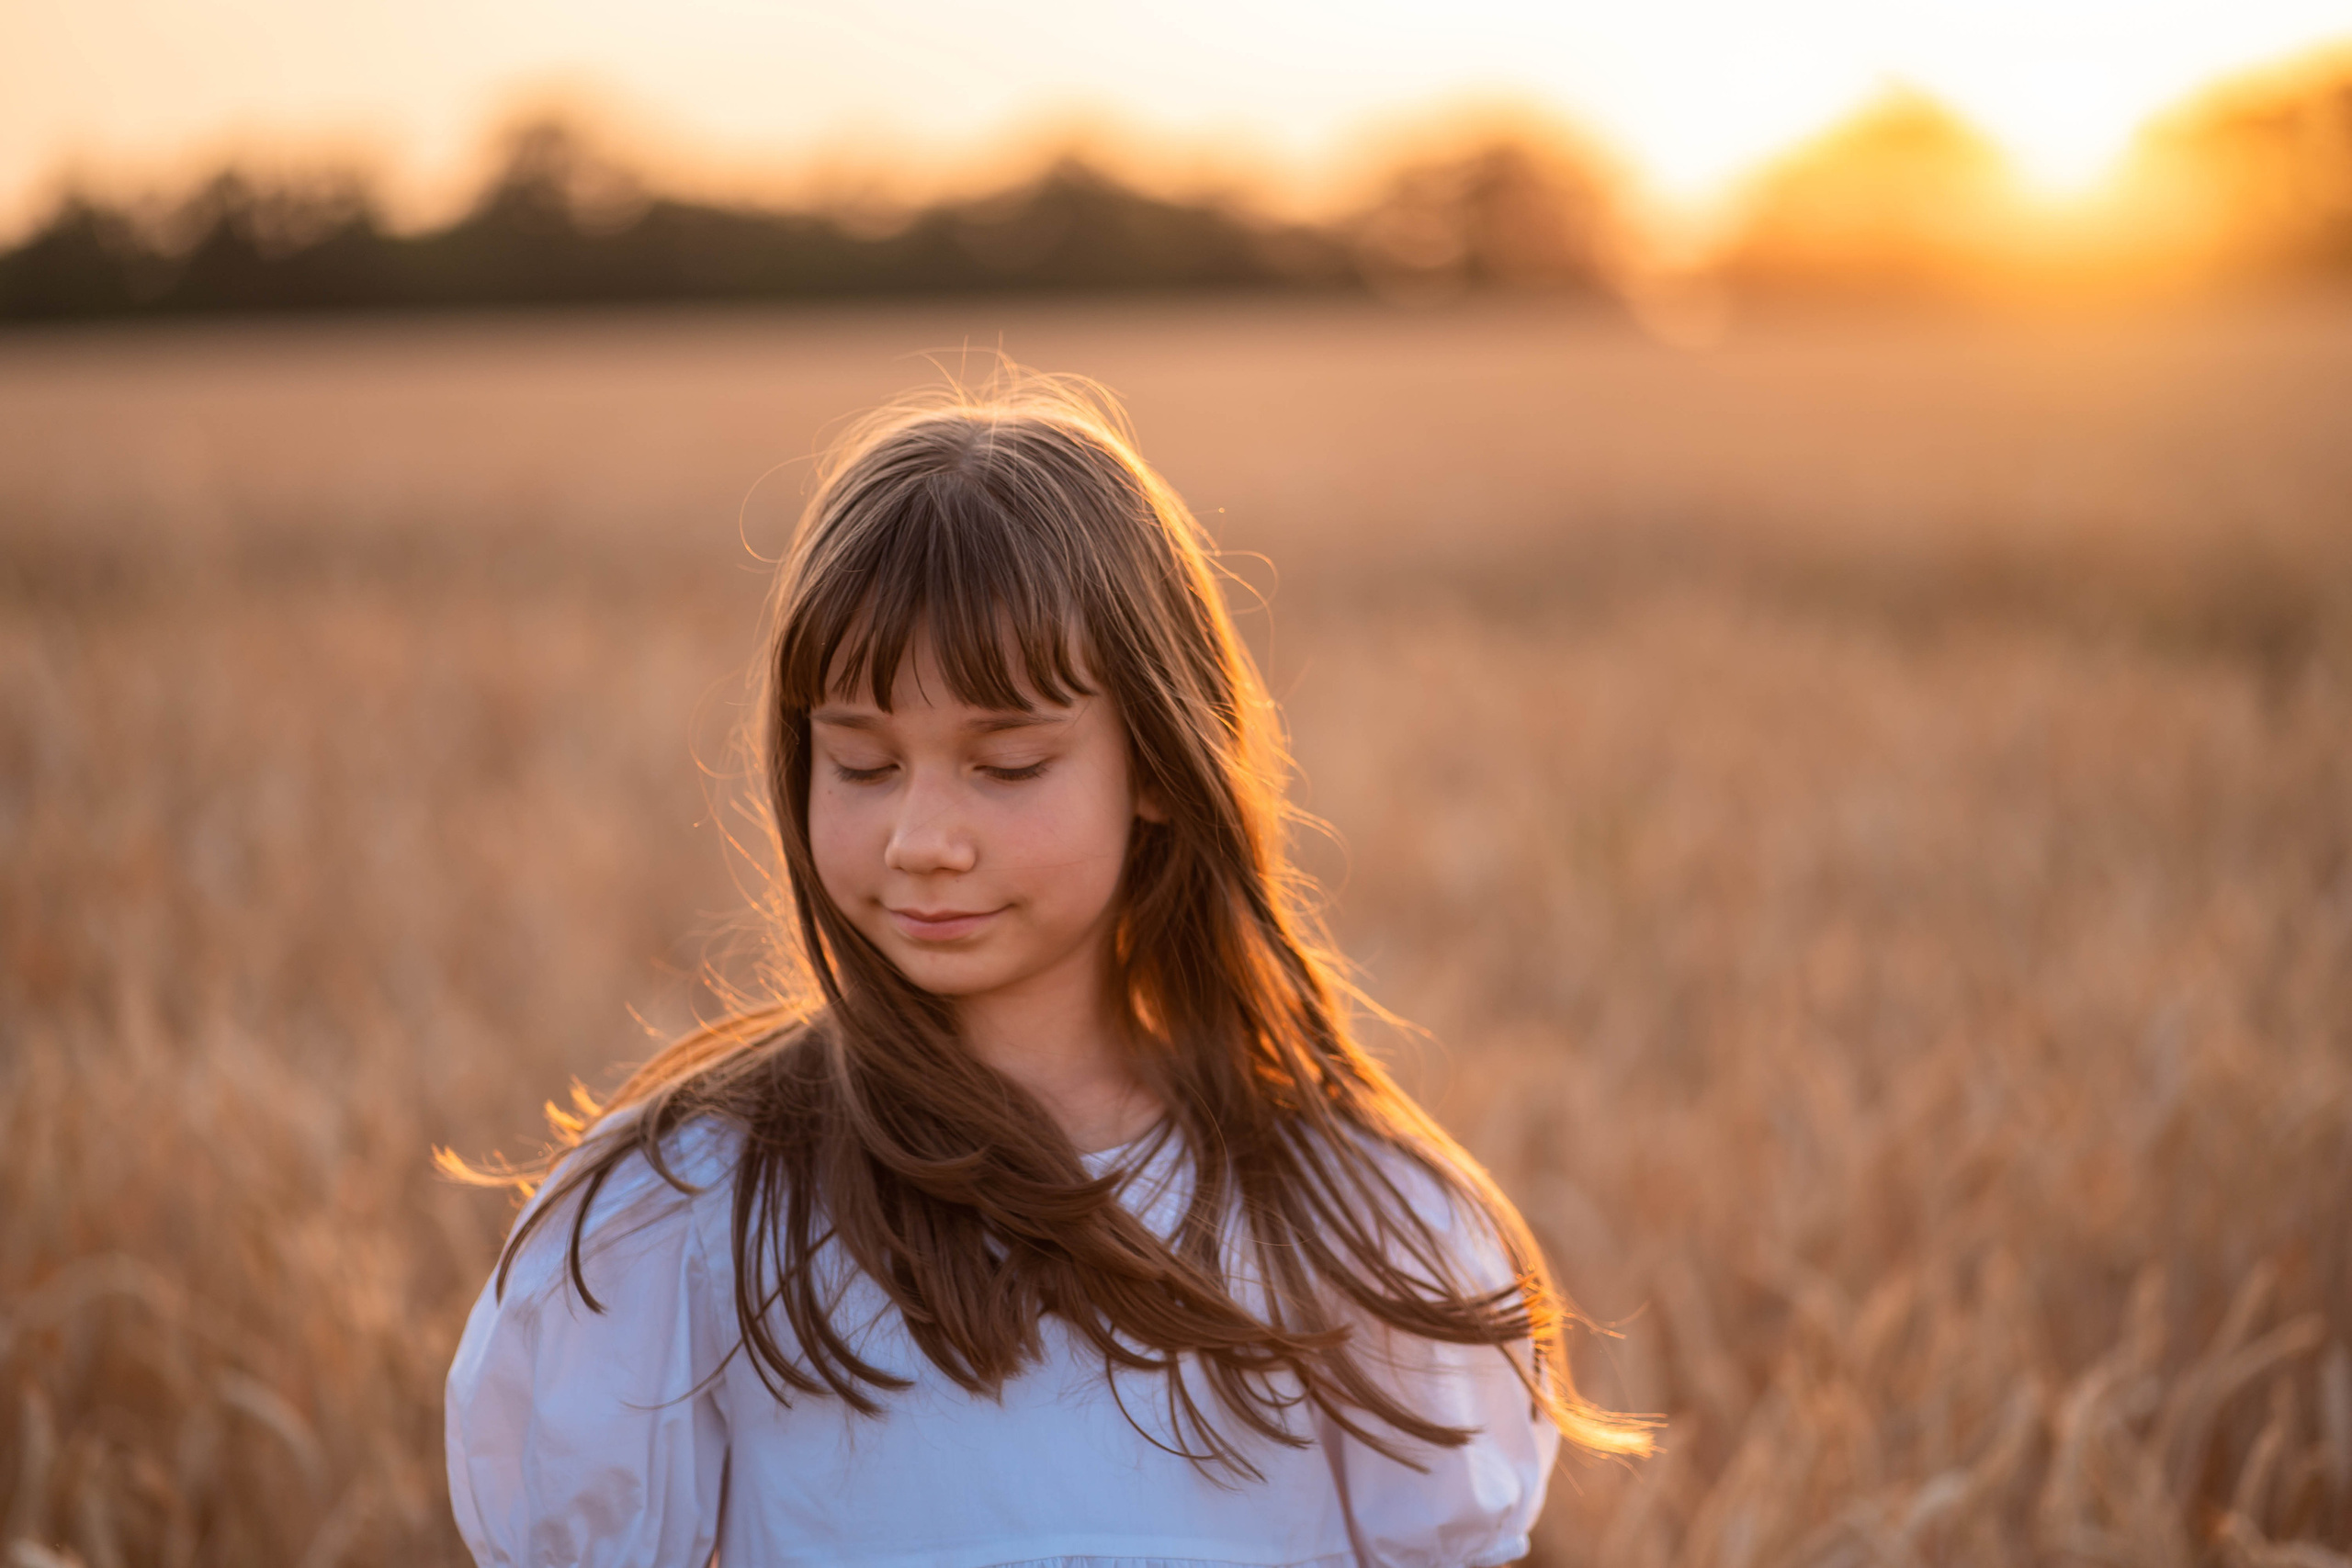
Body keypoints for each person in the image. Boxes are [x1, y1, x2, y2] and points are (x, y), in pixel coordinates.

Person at [442, 373, 1649, 1567]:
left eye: (1007, 766)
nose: (921, 840)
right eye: (862, 766)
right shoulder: (685, 1214)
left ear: (1161, 768)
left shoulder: (1354, 1226)